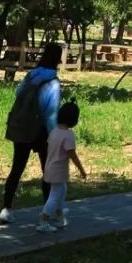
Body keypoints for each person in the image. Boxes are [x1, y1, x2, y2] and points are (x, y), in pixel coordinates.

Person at [0, 42, 63, 223]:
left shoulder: (31, 75)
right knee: (47, 171)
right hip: (41, 131)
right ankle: (47, 211)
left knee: (17, 168)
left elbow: (18, 93)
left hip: (23, 127)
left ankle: (6, 209)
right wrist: (54, 136)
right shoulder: (53, 82)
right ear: (58, 59)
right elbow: (50, 114)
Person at [36, 100, 86, 233]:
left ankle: (59, 216)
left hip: (50, 168)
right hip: (58, 171)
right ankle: (44, 220)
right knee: (55, 196)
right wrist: (81, 170)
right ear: (74, 119)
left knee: (61, 192)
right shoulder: (68, 135)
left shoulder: (54, 132)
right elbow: (73, 155)